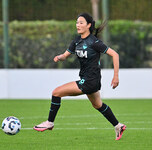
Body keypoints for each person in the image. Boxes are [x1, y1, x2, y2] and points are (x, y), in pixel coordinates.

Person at [33, 12, 126, 140]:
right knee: (98, 105)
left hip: (90, 81)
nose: (78, 25)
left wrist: (116, 77)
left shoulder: (94, 42)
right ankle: (118, 125)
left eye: (81, 22)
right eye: (77, 22)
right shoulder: (76, 41)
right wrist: (60, 57)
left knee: (56, 92)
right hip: (89, 80)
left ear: (88, 25)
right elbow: (66, 55)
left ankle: (50, 122)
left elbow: (115, 55)